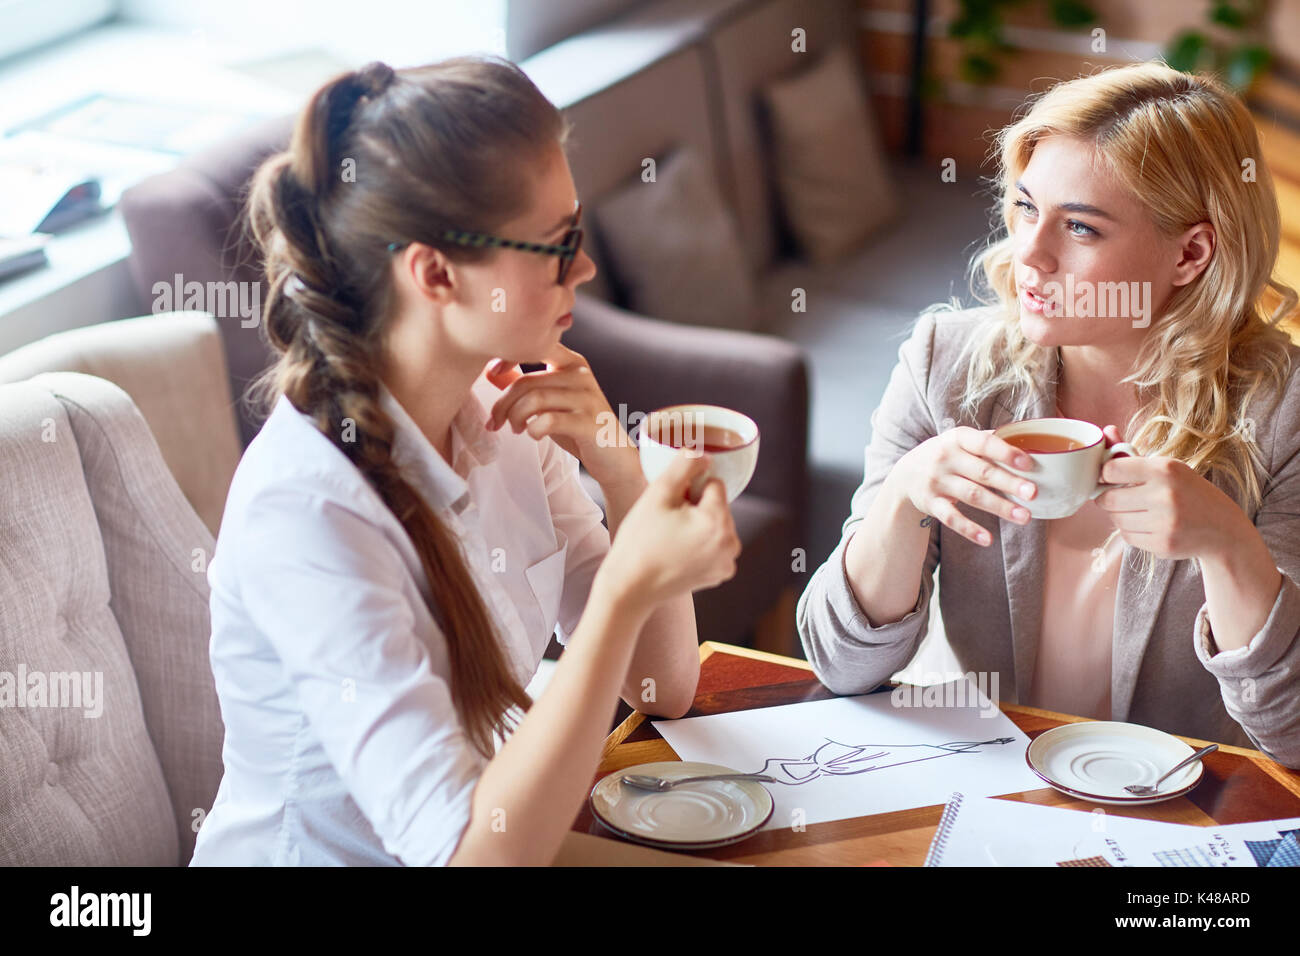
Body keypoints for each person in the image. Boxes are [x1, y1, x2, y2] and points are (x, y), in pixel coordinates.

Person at [189, 57, 741, 867]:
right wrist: (625, 590)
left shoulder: (507, 413)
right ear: (436, 273)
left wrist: (621, 472)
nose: (583, 269)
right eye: (558, 244)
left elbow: (663, 690)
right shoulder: (308, 514)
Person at [797, 61, 1300, 768]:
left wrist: (1230, 548)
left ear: (1190, 254)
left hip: (1178, 814)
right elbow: (838, 664)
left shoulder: (1284, 412)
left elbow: (1295, 733)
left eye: (1082, 229)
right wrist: (905, 497)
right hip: (984, 785)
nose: (1028, 254)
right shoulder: (946, 364)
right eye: (1027, 207)